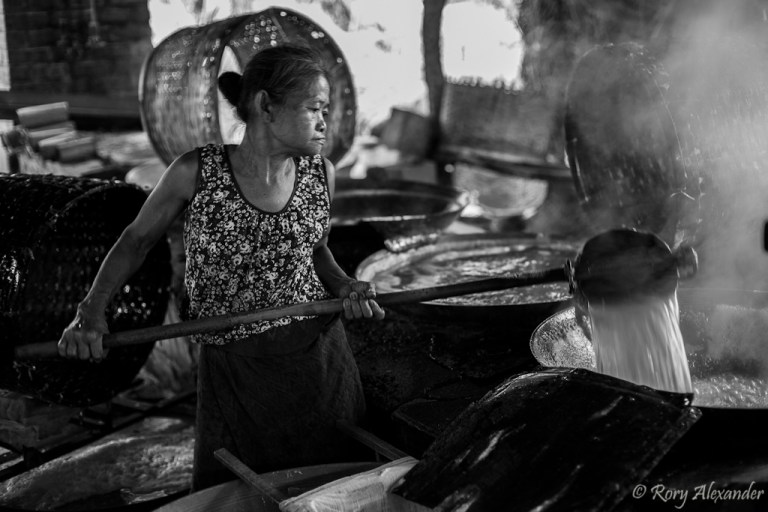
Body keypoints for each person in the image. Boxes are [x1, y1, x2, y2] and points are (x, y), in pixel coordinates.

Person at [58, 44, 385, 491]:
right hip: (234, 366)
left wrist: (345, 285)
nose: (324, 122)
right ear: (265, 105)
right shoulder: (196, 172)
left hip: (318, 360)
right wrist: (90, 311)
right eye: (314, 108)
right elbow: (136, 241)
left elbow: (317, 250)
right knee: (237, 491)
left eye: (325, 110)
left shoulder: (320, 173)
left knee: (328, 485)